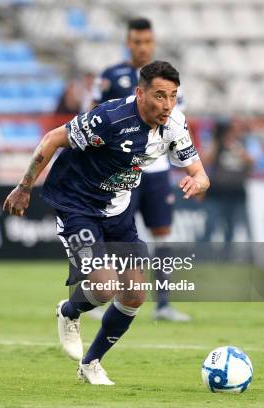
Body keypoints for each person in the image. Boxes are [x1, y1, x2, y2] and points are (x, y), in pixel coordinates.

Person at [3, 61, 209, 385]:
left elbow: (200, 173)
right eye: (159, 96)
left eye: (172, 96)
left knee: (134, 296)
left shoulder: (174, 125)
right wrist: (25, 186)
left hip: (118, 211)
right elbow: (53, 138)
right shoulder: (109, 118)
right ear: (140, 94)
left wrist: (198, 182)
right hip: (77, 207)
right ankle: (69, 311)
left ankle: (91, 363)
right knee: (103, 285)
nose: (167, 105)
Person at [92, 17, 190, 321]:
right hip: (121, 171)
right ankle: (109, 298)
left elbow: (177, 124)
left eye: (148, 41)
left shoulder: (167, 80)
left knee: (162, 233)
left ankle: (163, 303)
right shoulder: (111, 76)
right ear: (128, 42)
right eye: (137, 42)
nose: (143, 47)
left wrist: (190, 168)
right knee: (118, 235)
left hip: (158, 171)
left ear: (154, 42)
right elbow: (95, 116)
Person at [202, 118, 254, 246]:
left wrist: (237, 148)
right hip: (217, 191)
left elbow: (252, 161)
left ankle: (227, 255)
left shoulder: (246, 142)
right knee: (211, 223)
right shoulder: (218, 143)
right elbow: (206, 160)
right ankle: (203, 253)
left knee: (231, 226)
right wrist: (216, 141)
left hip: (236, 191)